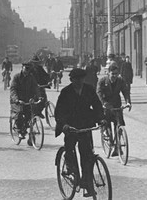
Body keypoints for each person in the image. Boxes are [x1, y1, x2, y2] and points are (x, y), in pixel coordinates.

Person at [55, 68, 105, 198]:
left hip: (84, 126)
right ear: (71, 80)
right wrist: (64, 125)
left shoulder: (89, 89)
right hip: (70, 126)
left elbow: (97, 106)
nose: (79, 81)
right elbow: (59, 112)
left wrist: (101, 119)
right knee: (70, 150)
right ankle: (70, 168)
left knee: (87, 156)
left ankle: (87, 184)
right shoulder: (66, 92)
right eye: (76, 79)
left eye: (82, 79)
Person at [96, 62, 131, 156]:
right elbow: (98, 93)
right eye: (113, 74)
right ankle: (108, 138)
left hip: (117, 105)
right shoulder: (102, 81)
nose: (114, 76)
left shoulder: (120, 81)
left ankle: (117, 147)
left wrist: (128, 102)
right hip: (106, 106)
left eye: (116, 74)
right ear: (108, 73)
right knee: (106, 124)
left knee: (119, 124)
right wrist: (103, 103)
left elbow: (125, 91)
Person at [10, 61, 42, 145]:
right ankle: (19, 130)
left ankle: (29, 132)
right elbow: (13, 89)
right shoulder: (16, 77)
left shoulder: (31, 77)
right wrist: (17, 100)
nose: (27, 71)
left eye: (28, 69)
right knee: (20, 112)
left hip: (27, 101)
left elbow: (36, 88)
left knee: (31, 114)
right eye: (25, 68)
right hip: (17, 101)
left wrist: (39, 97)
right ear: (22, 68)